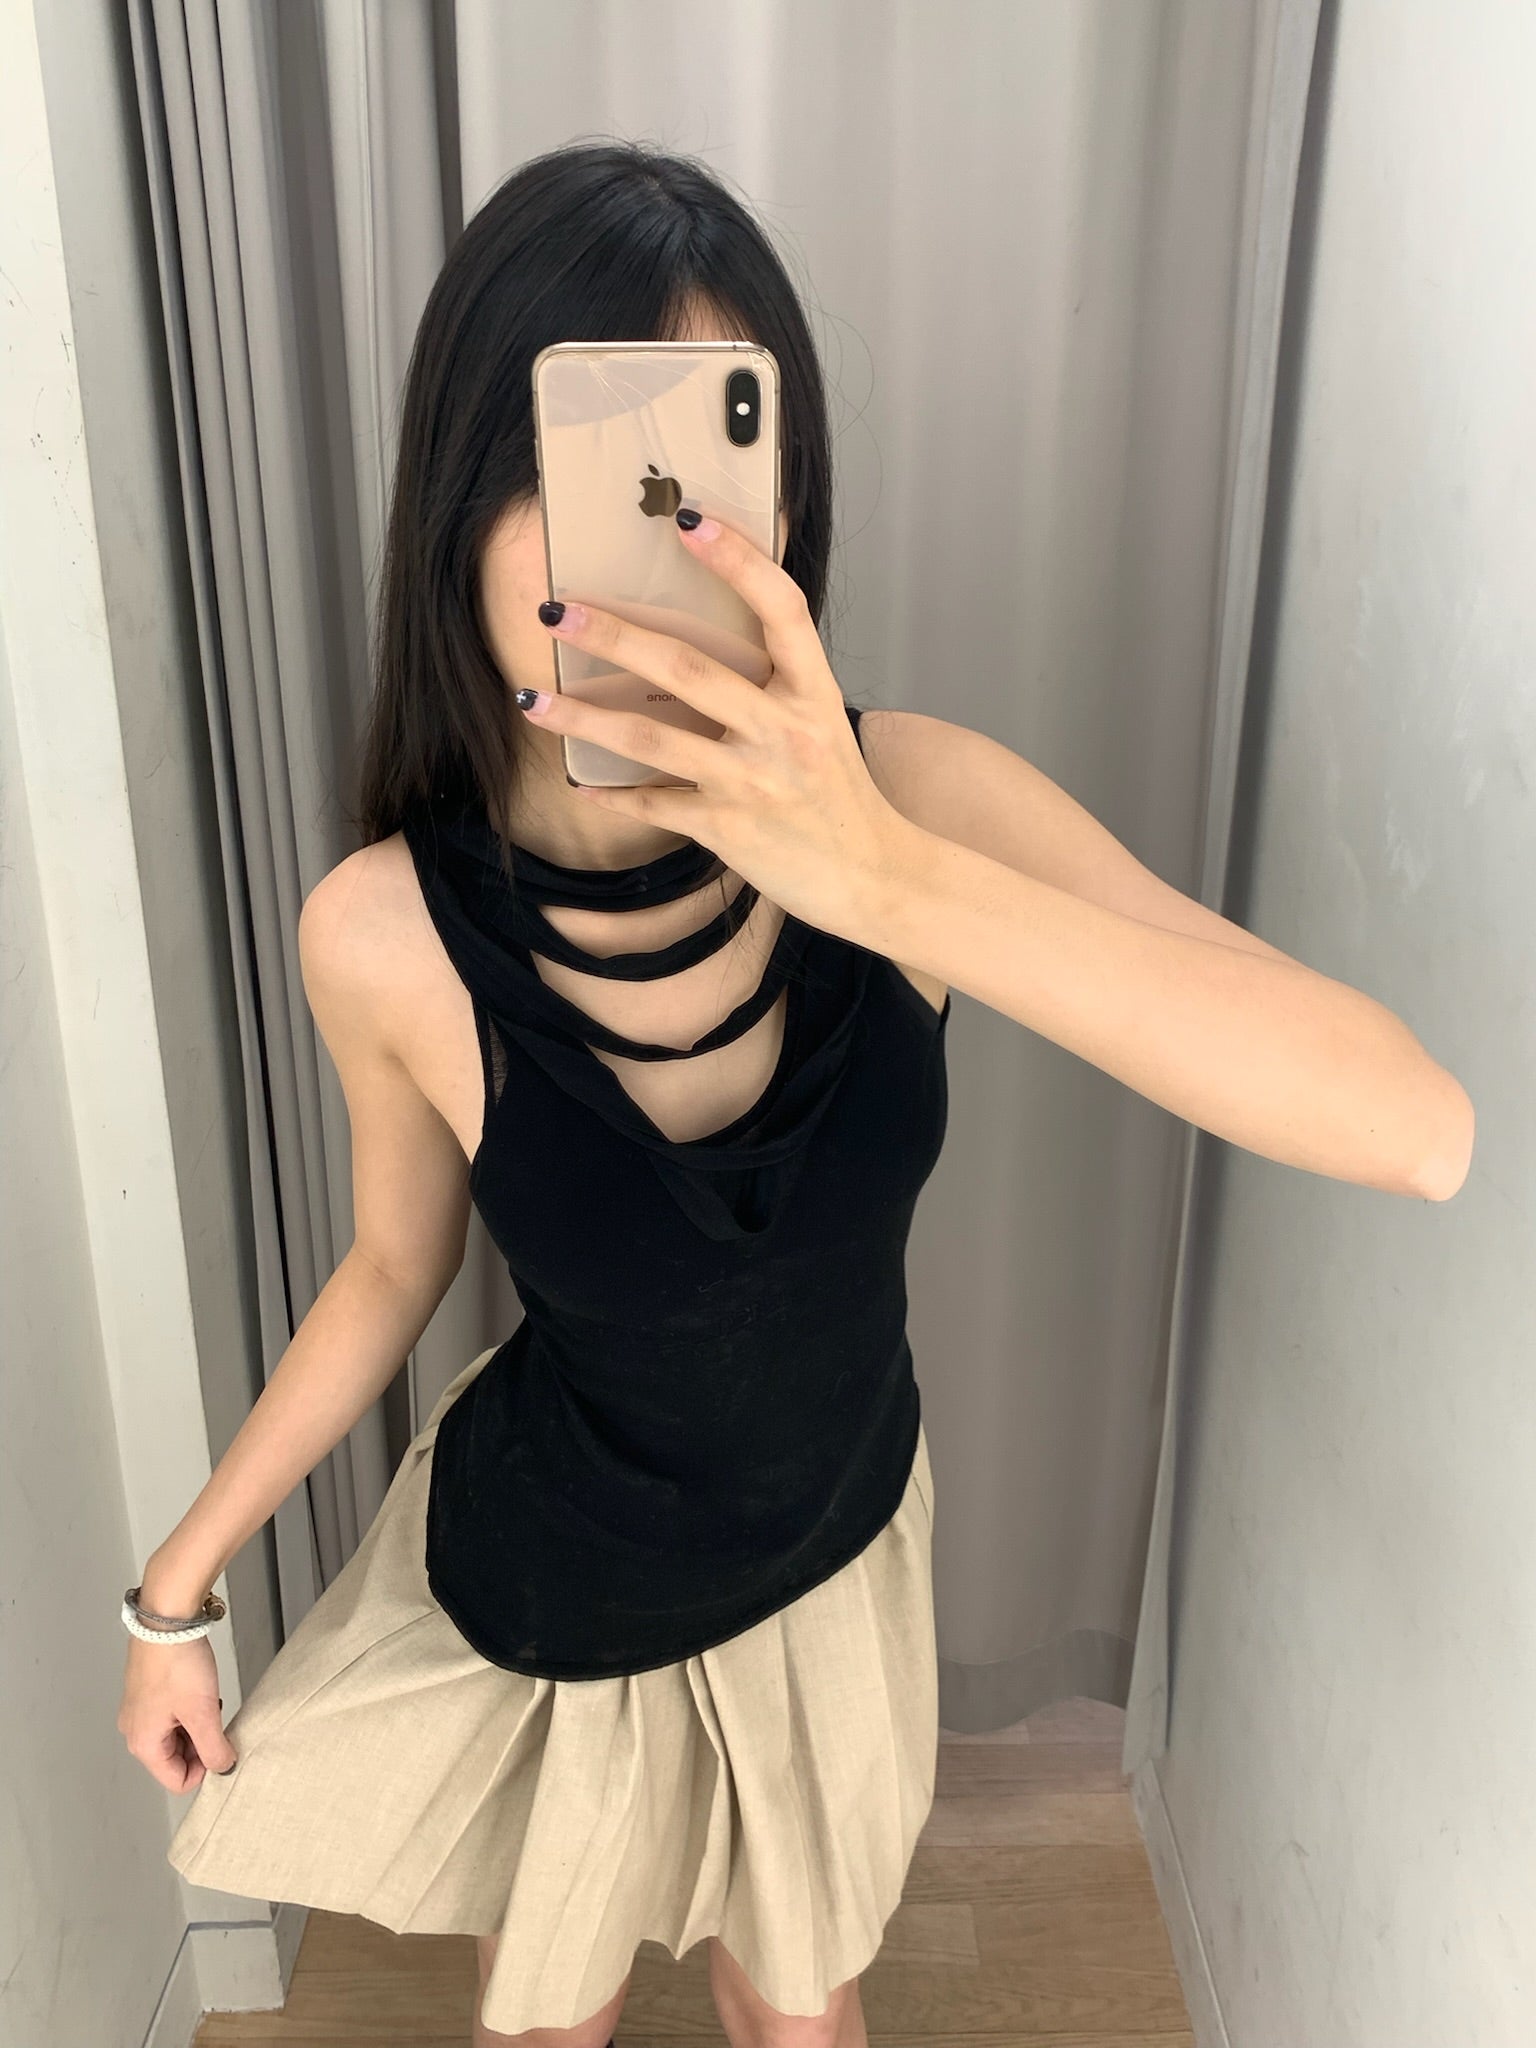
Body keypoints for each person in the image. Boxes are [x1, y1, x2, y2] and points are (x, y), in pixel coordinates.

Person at [116, 142, 1473, 2048]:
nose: (645, 546)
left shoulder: (915, 799)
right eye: (582, 472)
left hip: (830, 1552)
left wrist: (884, 880)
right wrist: (174, 1593)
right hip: (564, 1583)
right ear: (458, 510)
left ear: (782, 510)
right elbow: (390, 1268)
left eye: (701, 483)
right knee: (550, 2021)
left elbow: (1417, 1128)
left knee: (803, 2017)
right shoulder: (381, 932)